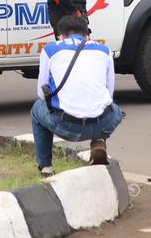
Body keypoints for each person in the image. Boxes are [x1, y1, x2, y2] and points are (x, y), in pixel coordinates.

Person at [30, 14, 124, 178]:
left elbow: (41, 93)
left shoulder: (50, 50)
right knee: (110, 106)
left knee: (37, 108)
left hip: (67, 126)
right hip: (104, 123)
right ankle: (98, 142)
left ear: (60, 36)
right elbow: (109, 92)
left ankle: (46, 167)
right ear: (87, 35)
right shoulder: (104, 50)